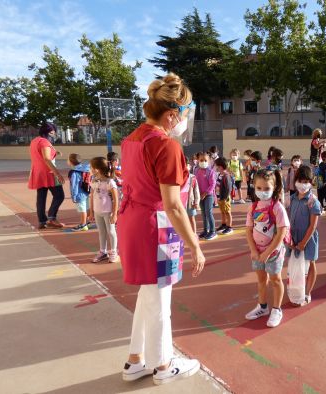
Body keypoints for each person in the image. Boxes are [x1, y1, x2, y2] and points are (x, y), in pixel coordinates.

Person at [117, 73, 204, 385]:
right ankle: (164, 365)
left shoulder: (131, 140)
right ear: (171, 115)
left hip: (133, 221)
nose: (184, 122)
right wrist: (194, 243)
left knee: (148, 292)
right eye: (183, 114)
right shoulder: (166, 146)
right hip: (156, 227)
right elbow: (174, 205)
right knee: (160, 301)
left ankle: (135, 359)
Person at [245, 168, 290, 328]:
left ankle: (277, 309)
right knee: (261, 280)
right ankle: (262, 307)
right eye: (259, 188)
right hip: (257, 252)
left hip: (273, 252)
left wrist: (268, 252)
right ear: (254, 187)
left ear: (274, 188)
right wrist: (253, 250)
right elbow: (249, 230)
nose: (262, 192)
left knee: (276, 280)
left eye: (266, 189)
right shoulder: (253, 207)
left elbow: (281, 232)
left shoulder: (277, 207)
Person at [285, 165, 321, 305]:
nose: (303, 184)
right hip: (293, 238)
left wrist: (303, 243)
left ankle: (307, 292)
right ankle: (295, 290)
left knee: (310, 263)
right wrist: (289, 240)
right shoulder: (290, 199)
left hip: (308, 239)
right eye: (300, 180)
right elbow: (286, 221)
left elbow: (313, 225)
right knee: (295, 265)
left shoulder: (313, 201)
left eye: (306, 181)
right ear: (295, 181)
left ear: (311, 182)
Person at [28, 122, 65, 229]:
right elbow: (46, 159)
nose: (54, 134)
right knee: (59, 196)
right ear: (50, 132)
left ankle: (42, 221)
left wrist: (55, 152)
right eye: (53, 132)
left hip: (38, 172)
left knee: (41, 197)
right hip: (48, 172)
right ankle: (52, 218)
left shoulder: (35, 141)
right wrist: (57, 173)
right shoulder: (45, 142)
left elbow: (40, 154)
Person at [88, 157, 120, 263]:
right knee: (101, 232)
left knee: (111, 231)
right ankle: (103, 252)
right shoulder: (93, 180)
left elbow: (116, 199)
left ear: (97, 169)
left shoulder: (110, 182)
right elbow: (92, 196)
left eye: (91, 167)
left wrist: (114, 214)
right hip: (98, 211)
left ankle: (114, 252)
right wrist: (91, 211)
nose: (90, 169)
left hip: (108, 212)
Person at [195, 152, 217, 240]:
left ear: (209, 161)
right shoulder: (196, 170)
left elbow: (213, 184)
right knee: (203, 214)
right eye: (201, 160)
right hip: (200, 196)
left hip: (208, 195)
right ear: (198, 160)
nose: (203, 162)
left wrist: (205, 193)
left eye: (205, 160)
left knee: (209, 213)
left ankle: (212, 231)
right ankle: (205, 230)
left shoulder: (210, 172)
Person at [67, 153, 91, 232]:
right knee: (86, 207)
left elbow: (74, 186)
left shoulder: (74, 172)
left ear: (70, 162)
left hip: (79, 194)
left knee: (82, 209)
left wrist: (74, 196)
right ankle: (87, 222)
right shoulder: (86, 168)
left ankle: (83, 224)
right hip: (86, 191)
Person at [215, 157, 234, 235]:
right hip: (220, 197)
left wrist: (225, 198)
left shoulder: (226, 176)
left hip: (224, 198)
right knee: (222, 212)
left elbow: (228, 188)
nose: (216, 168)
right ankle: (223, 224)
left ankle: (229, 226)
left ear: (221, 167)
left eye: (218, 166)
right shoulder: (220, 174)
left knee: (227, 212)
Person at [185, 159, 200, 234]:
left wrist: (196, 202)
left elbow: (196, 191)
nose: (185, 167)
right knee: (182, 220)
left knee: (191, 218)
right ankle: (185, 236)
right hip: (181, 202)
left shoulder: (192, 177)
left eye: (187, 165)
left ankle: (194, 234)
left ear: (190, 166)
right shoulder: (178, 177)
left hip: (190, 202)